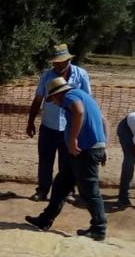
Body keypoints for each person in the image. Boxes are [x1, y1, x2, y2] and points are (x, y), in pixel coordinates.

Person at [25, 77, 108, 240]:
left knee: (90, 191)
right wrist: (103, 145)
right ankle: (45, 220)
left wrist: (72, 139)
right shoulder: (84, 96)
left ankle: (99, 228)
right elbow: (104, 120)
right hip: (84, 150)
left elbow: (79, 111)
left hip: (85, 151)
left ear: (59, 94)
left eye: (53, 99)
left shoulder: (70, 97)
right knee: (61, 185)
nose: (54, 103)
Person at [26, 43, 92, 201]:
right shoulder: (46, 76)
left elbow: (87, 101)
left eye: (59, 61)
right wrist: (30, 122)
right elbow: (37, 100)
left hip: (70, 128)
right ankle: (42, 190)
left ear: (68, 60)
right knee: (45, 160)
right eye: (54, 62)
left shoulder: (81, 75)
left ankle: (68, 191)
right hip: (48, 125)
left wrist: (83, 128)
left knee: (68, 162)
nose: (56, 65)